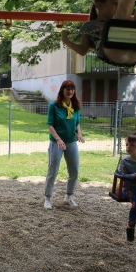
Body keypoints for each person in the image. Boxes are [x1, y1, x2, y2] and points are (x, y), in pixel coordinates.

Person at [44, 80, 85, 209]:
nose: (70, 91)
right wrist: (58, 139)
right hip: (56, 143)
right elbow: (50, 125)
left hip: (71, 142)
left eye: (72, 89)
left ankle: (68, 196)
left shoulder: (75, 106)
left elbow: (77, 122)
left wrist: (79, 133)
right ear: (62, 90)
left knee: (74, 171)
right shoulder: (54, 106)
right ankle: (47, 198)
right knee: (53, 170)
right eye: (67, 88)